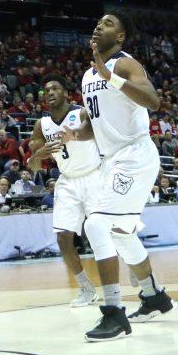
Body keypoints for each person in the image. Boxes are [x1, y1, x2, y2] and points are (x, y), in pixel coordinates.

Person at [69, 13, 173, 342]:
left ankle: (114, 313)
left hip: (135, 154)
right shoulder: (88, 76)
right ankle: (154, 296)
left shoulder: (125, 65)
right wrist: (70, 136)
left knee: (96, 224)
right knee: (123, 233)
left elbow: (153, 102)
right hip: (112, 159)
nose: (99, 25)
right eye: (97, 22)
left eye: (109, 23)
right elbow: (96, 128)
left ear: (121, 37)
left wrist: (110, 77)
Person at [28, 76, 104, 308]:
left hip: (94, 176)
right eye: (46, 90)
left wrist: (73, 134)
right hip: (67, 181)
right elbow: (33, 165)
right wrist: (39, 154)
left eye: (55, 88)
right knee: (62, 237)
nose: (49, 92)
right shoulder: (42, 125)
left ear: (65, 93)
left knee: (108, 232)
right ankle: (86, 288)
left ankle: (138, 277)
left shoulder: (81, 112)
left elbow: (89, 131)